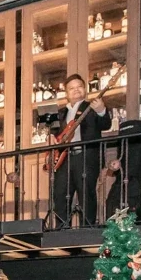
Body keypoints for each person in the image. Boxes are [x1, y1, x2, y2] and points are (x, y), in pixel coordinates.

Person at [48, 74, 110, 228]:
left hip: (85, 157)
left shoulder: (92, 106)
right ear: (67, 93)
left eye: (79, 87)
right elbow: (53, 133)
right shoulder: (60, 112)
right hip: (64, 159)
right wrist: (50, 138)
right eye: (71, 88)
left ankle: (86, 230)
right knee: (60, 196)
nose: (76, 90)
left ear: (85, 89)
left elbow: (106, 124)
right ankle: (61, 231)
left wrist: (102, 110)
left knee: (86, 195)